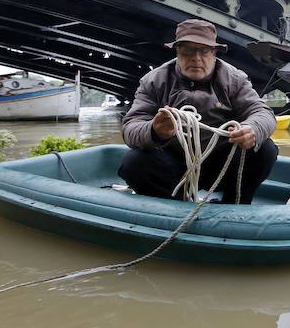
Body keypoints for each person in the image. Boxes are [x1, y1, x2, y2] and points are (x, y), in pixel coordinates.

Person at [119, 19, 277, 204]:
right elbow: (131, 127)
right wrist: (154, 131)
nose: (196, 58)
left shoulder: (234, 79)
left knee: (265, 149)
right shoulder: (154, 81)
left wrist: (252, 129)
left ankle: (235, 204)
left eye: (204, 51)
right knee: (134, 162)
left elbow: (263, 112)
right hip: (173, 165)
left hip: (221, 165)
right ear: (177, 51)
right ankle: (175, 206)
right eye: (187, 51)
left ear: (214, 53)